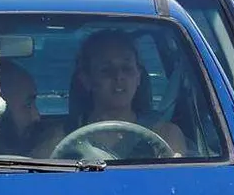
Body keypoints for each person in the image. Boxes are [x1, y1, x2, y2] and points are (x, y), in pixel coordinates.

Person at [68, 29, 188, 158]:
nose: (119, 76)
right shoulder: (61, 138)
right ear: (87, 79)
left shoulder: (166, 135)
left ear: (138, 77)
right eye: (106, 70)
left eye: (127, 68)